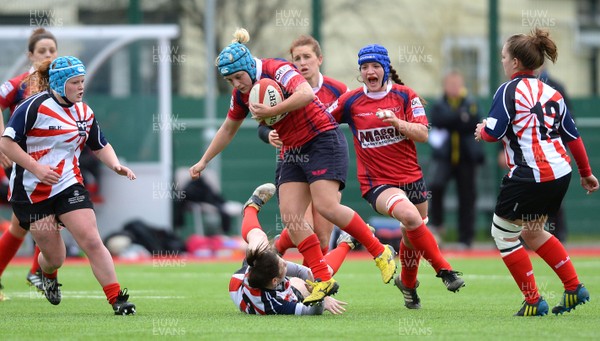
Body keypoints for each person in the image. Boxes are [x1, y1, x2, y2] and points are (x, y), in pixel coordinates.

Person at [190, 28, 396, 305]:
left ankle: (379, 251)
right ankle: (323, 278)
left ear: (250, 67)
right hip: (292, 150)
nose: (236, 84)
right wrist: (204, 160)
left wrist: (272, 111)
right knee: (292, 218)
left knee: (325, 207)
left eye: (238, 77)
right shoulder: (241, 95)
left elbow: (305, 94)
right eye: (229, 80)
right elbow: (228, 128)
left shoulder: (279, 68)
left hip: (323, 139)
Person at [328, 44, 465, 309]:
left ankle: (408, 284)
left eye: (375, 66)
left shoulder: (404, 96)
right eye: (365, 67)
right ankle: (445, 270)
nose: (370, 71)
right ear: (360, 72)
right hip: (377, 183)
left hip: (412, 179)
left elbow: (423, 134)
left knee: (411, 232)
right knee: (412, 218)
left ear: (386, 69)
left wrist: (397, 123)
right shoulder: (352, 101)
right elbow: (320, 121)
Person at [474, 28, 598, 316]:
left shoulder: (507, 90)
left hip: (531, 174)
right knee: (532, 232)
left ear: (516, 62)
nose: (502, 62)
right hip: (560, 172)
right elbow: (573, 137)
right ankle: (574, 287)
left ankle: (533, 300)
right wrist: (586, 172)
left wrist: (481, 130)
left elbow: (493, 132)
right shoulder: (552, 92)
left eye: (503, 57)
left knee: (503, 234)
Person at [0, 56, 137, 315]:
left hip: (68, 185)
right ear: (61, 84)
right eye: (75, 82)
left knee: (92, 240)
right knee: (55, 258)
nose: (81, 87)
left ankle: (117, 299)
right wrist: (37, 168)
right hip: (31, 193)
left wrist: (116, 165)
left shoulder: (84, 112)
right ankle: (47, 275)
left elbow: (99, 145)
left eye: (83, 82)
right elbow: (6, 144)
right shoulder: (32, 107)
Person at [257, 35, 348, 255]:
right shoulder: (281, 89)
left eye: (307, 57)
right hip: (295, 161)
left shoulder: (338, 89)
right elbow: (262, 123)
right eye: (296, 58)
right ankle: (278, 249)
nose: (301, 63)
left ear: (320, 59)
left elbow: (349, 123)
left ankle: (318, 284)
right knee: (301, 227)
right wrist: (268, 134)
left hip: (324, 161)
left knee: (323, 235)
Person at [0, 28, 58, 299]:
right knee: (29, 222)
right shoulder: (20, 83)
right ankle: (38, 271)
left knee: (25, 224)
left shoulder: (63, 86)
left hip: (53, 166)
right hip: (26, 166)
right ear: (30, 55)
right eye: (42, 51)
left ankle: (39, 271)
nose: (48, 55)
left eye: (52, 50)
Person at [230, 183, 349, 315]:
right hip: (276, 291)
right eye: (282, 264)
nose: (285, 261)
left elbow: (300, 270)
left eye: (279, 259)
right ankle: (347, 242)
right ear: (275, 281)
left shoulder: (258, 267)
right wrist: (321, 297)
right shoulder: (275, 305)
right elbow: (311, 312)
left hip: (241, 283)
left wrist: (319, 284)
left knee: (258, 240)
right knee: (314, 277)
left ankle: (250, 207)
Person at [427, 71, 485, 248]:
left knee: (467, 197)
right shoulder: (439, 104)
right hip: (445, 158)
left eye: (457, 84)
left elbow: (473, 122)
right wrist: (460, 117)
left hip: (466, 158)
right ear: (445, 86)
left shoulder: (471, 102)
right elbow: (438, 120)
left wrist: (455, 120)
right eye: (450, 84)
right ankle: (437, 228)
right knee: (435, 187)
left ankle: (465, 238)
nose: (454, 88)